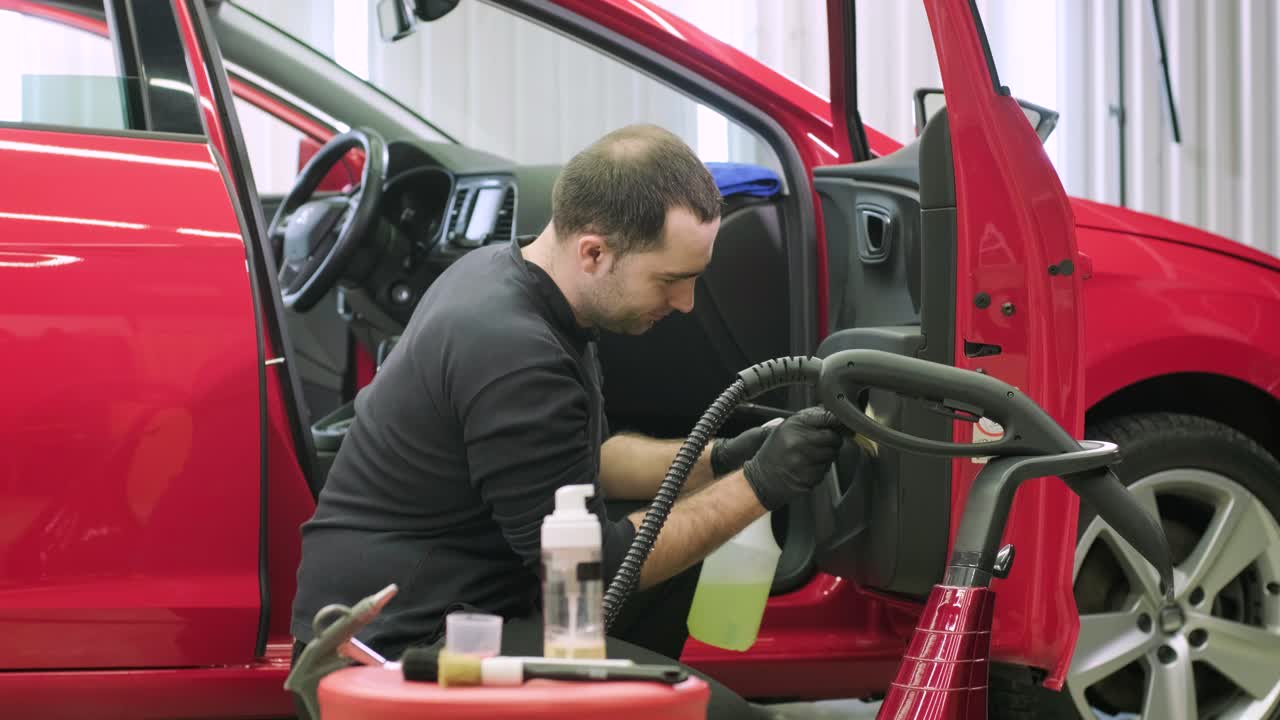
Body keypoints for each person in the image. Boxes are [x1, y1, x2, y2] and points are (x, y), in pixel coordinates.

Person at [290, 124, 844, 718]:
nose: (685, 303)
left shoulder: (520, 281)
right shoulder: (514, 350)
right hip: (394, 648)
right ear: (594, 253)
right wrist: (761, 484)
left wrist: (721, 459)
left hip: (468, 604)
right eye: (670, 280)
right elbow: (595, 568)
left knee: (679, 566)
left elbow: (586, 461)